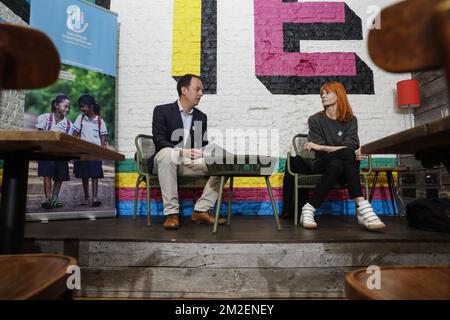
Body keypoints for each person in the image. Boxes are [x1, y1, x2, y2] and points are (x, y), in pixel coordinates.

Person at [295, 82, 386, 231]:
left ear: (339, 95)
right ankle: (362, 206)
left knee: (338, 163)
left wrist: (322, 146)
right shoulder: (315, 120)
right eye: (321, 94)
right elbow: (346, 150)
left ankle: (309, 208)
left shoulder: (351, 120)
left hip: (340, 168)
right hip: (320, 163)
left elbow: (347, 147)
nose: (323, 96)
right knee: (347, 154)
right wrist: (347, 153)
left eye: (327, 93)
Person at [150, 74, 226, 230]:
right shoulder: (162, 110)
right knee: (166, 153)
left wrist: (209, 150)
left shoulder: (201, 117)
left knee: (223, 163)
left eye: (201, 90)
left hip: (188, 163)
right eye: (197, 89)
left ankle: (201, 209)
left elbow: (200, 145)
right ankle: (171, 214)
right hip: (165, 161)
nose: (201, 93)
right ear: (184, 90)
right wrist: (181, 151)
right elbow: (159, 140)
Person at [36, 95, 73, 209]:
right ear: (56, 105)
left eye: (69, 108)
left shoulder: (68, 125)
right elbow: (39, 134)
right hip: (47, 152)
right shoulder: (45, 118)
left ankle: (55, 199)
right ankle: (48, 199)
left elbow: (68, 140)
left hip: (60, 154)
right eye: (65, 106)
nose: (67, 109)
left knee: (59, 177)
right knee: (47, 174)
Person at [72, 94, 108, 207]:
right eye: (80, 107)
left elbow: (103, 135)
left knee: (95, 174)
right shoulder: (81, 118)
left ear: (91, 106)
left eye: (84, 106)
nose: (82, 109)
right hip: (83, 151)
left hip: (95, 152)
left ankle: (95, 197)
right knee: (84, 175)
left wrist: (102, 149)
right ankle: (86, 197)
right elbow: (75, 133)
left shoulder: (99, 121)